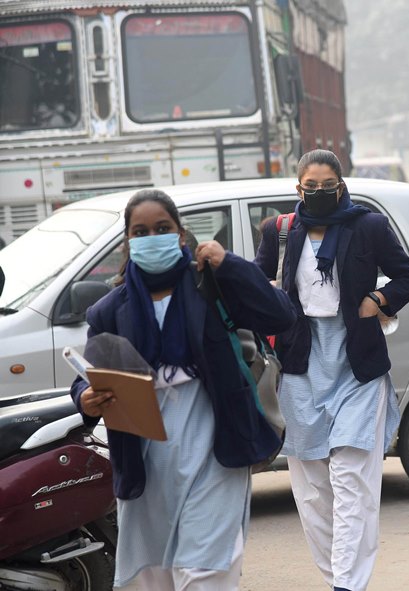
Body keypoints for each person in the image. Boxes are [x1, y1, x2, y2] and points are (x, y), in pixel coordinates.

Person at [70, 189, 296, 590]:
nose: (151, 237)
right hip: (144, 457)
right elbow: (88, 374)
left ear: (179, 235)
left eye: (161, 228)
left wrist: (230, 265)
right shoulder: (109, 311)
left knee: (205, 573)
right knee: (151, 577)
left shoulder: (210, 288)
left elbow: (279, 315)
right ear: (128, 242)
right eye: (140, 231)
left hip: (215, 448)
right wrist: (85, 398)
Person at [254, 149, 409, 591]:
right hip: (301, 367)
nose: (321, 195)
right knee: (311, 492)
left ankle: (348, 584)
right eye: (312, 188)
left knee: (352, 481)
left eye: (329, 188)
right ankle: (339, 578)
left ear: (341, 187)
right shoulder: (281, 231)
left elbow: (408, 276)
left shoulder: (367, 226)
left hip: (357, 369)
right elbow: (255, 289)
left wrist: (380, 300)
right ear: (298, 189)